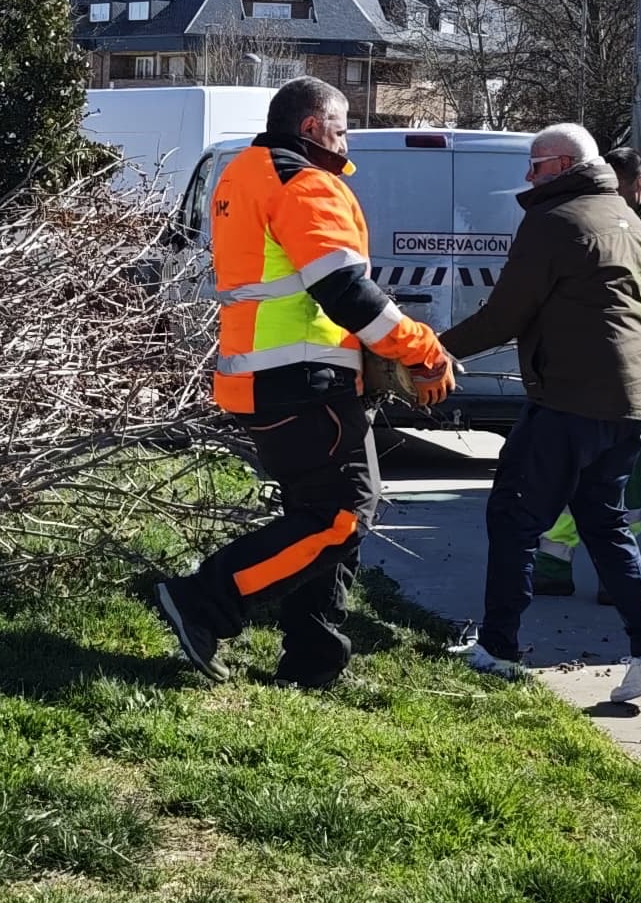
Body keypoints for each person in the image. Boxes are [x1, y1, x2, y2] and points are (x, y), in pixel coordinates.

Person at [149, 78, 453, 689]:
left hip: (267, 378)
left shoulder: (241, 174)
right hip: (307, 381)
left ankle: (315, 661)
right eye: (341, 128)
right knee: (342, 517)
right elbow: (345, 290)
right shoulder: (305, 183)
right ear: (313, 128)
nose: (347, 141)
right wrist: (421, 347)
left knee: (316, 517)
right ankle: (206, 601)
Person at [436, 123, 641, 709]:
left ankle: (498, 649)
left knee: (514, 515)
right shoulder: (627, 219)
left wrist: (433, 351)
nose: (528, 176)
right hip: (632, 403)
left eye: (537, 164)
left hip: (573, 399)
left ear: (566, 164)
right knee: (604, 522)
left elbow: (504, 315)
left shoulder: (555, 221)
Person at [538, 149, 641, 599]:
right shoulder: (596, 226)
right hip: (582, 375)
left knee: (625, 474)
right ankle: (554, 560)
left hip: (634, 383)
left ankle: (614, 571)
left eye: (614, 187)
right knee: (570, 466)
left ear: (637, 187)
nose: (603, 195)